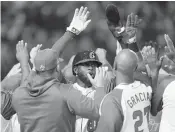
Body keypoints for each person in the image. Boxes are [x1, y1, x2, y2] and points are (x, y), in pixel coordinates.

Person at [1, 6, 108, 132]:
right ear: (57, 69)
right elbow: (98, 111)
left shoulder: (20, 94)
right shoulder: (65, 92)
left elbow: (29, 78)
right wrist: (101, 87)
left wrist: (26, 63)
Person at [96, 48, 162, 132]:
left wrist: (103, 61)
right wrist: (155, 72)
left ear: (115, 66)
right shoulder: (145, 87)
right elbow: (154, 109)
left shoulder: (113, 99)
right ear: (136, 68)